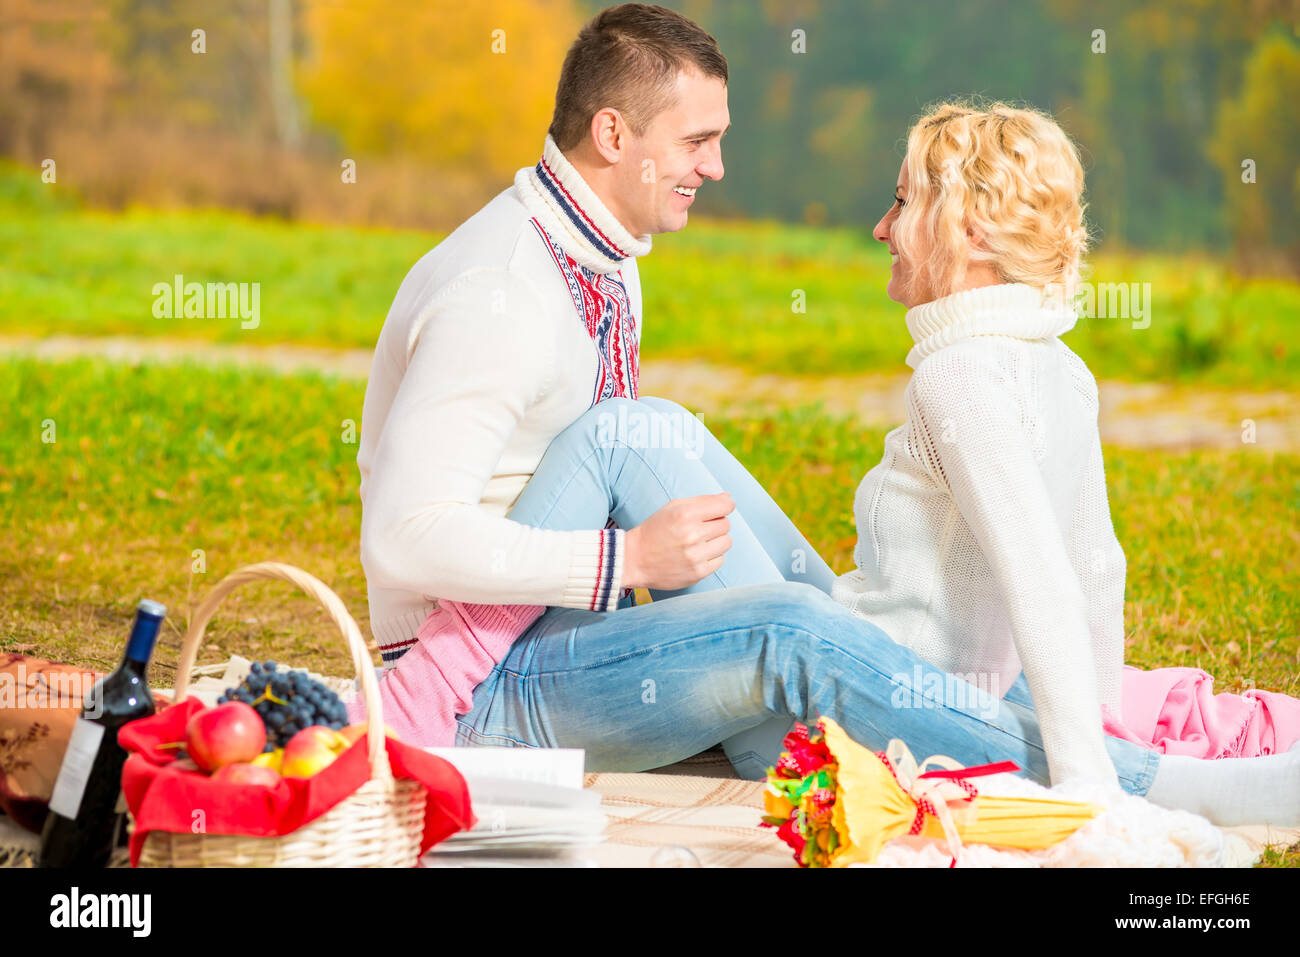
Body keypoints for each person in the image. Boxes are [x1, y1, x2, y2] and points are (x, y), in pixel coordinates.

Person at [349, 3, 1299, 826]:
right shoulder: (502, 293)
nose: (718, 168)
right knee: (788, 624)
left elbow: (1079, 564)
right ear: (612, 136)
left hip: (567, 626)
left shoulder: (605, 258)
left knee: (649, 431)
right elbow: (400, 540)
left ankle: (983, 709)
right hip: (491, 674)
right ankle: (1167, 786)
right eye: (696, 143)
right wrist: (625, 563)